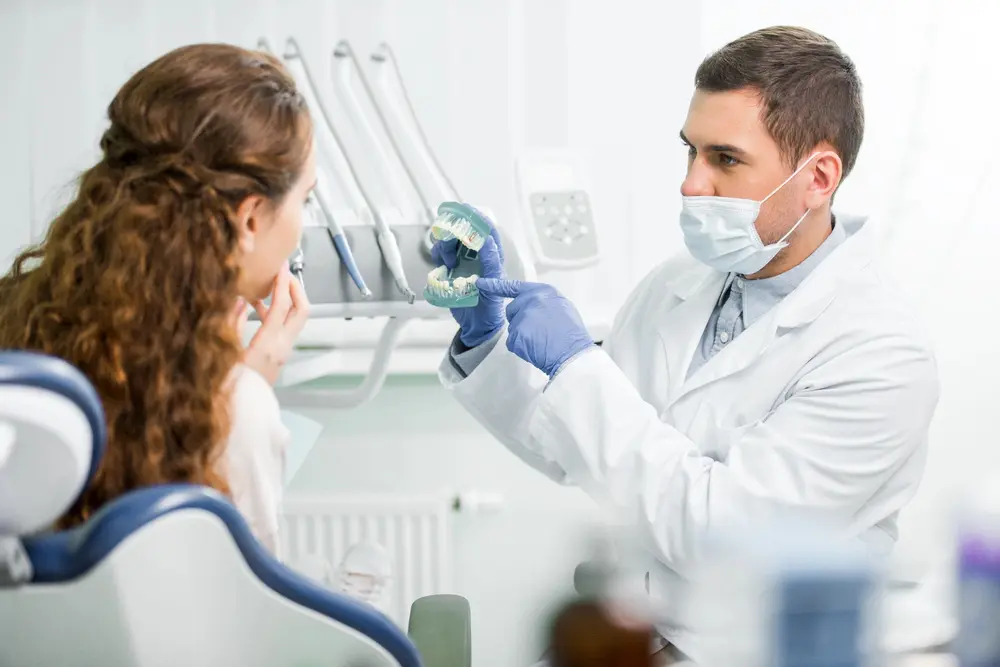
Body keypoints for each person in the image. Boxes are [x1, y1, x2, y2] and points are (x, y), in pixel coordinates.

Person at [434, 26, 939, 662]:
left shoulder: (880, 352)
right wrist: (487, 341)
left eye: (725, 159)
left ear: (818, 177)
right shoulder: (682, 282)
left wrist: (579, 368)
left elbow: (723, 539)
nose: (692, 184)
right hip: (639, 630)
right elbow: (580, 445)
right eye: (691, 152)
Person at [0, 43, 314, 556]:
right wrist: (245, 393)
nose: (303, 222)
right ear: (251, 218)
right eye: (306, 198)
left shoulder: (19, 319)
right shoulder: (237, 411)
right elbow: (239, 602)